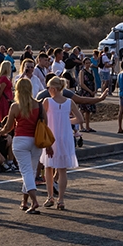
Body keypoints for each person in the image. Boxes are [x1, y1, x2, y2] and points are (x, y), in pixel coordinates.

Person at [0, 77, 43, 214]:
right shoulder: (39, 105)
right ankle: (24, 201)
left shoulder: (15, 106)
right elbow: (45, 123)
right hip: (36, 141)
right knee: (32, 171)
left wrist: (1, 132)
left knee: (26, 171)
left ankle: (34, 201)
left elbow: (9, 126)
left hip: (21, 140)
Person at [41, 77, 83, 210]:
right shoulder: (69, 102)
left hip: (51, 136)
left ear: (53, 88)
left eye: (49, 88)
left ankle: (50, 196)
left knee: (48, 167)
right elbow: (80, 119)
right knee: (62, 169)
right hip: (65, 137)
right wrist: (66, 121)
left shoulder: (47, 101)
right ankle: (61, 199)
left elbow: (41, 119)